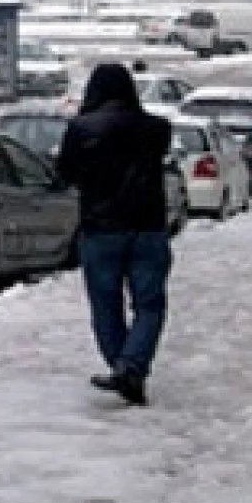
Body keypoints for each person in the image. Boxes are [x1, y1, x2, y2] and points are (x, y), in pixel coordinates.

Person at [55, 63, 174, 407]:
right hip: (147, 226)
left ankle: (122, 366)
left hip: (100, 228)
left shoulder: (81, 129)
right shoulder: (157, 129)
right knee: (149, 303)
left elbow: (66, 174)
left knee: (105, 303)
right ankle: (132, 366)